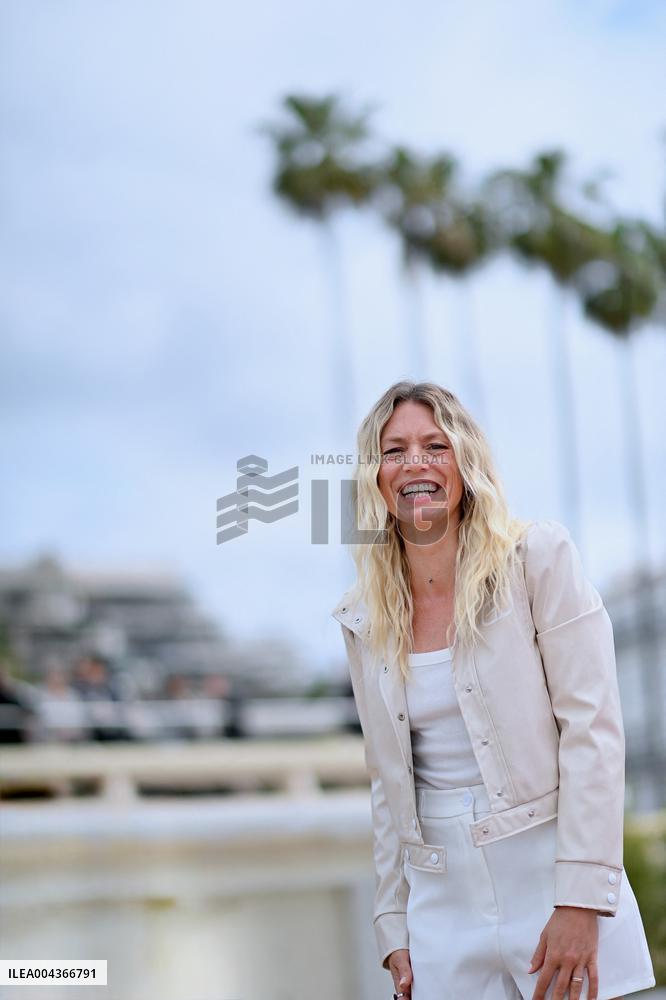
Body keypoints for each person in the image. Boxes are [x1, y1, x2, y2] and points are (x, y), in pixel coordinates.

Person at [331, 382, 655, 1000]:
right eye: (393, 451)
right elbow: (387, 781)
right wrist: (392, 921)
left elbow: (593, 731)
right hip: (440, 901)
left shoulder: (538, 559)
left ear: (465, 464)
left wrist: (581, 899)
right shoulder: (361, 616)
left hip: (549, 877)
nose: (415, 464)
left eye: (434, 445)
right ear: (375, 477)